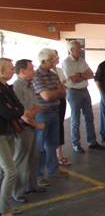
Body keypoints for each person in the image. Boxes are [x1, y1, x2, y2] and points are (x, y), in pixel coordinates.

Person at [12, 59, 46, 203]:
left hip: (30, 126)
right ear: (22, 71)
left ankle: (31, 186)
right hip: (22, 128)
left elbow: (36, 106)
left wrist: (33, 112)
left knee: (33, 158)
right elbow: (23, 114)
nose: (34, 71)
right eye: (31, 69)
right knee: (20, 160)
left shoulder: (29, 85)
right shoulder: (17, 87)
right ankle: (17, 193)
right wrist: (36, 124)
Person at [62, 40, 105, 153]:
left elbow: (91, 74)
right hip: (73, 92)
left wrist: (79, 74)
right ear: (71, 50)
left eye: (80, 48)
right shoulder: (66, 62)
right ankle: (76, 144)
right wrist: (82, 75)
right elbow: (73, 79)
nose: (80, 50)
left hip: (84, 91)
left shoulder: (82, 61)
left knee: (89, 118)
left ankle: (92, 142)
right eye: (78, 48)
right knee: (75, 120)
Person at [33, 49, 69, 183]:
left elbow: (63, 93)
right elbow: (46, 96)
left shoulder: (54, 75)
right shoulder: (37, 76)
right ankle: (38, 175)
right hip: (43, 113)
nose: (55, 60)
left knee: (53, 143)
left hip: (55, 111)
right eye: (51, 59)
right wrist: (57, 91)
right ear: (43, 61)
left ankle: (53, 169)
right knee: (40, 145)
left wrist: (56, 91)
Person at [0, 58, 25, 216]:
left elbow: (19, 108)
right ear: (1, 71)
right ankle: (5, 212)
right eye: (10, 68)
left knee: (4, 173)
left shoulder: (8, 88)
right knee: (11, 172)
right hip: (1, 134)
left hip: (8, 133)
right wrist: (14, 110)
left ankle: (4, 206)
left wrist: (14, 110)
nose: (13, 71)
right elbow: (8, 112)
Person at [52, 51, 70, 166]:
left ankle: (59, 154)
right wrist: (60, 88)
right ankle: (52, 155)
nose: (57, 58)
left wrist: (60, 89)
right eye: (55, 57)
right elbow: (49, 91)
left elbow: (66, 84)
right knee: (51, 128)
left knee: (59, 126)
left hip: (61, 101)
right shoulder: (44, 74)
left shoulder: (58, 70)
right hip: (51, 102)